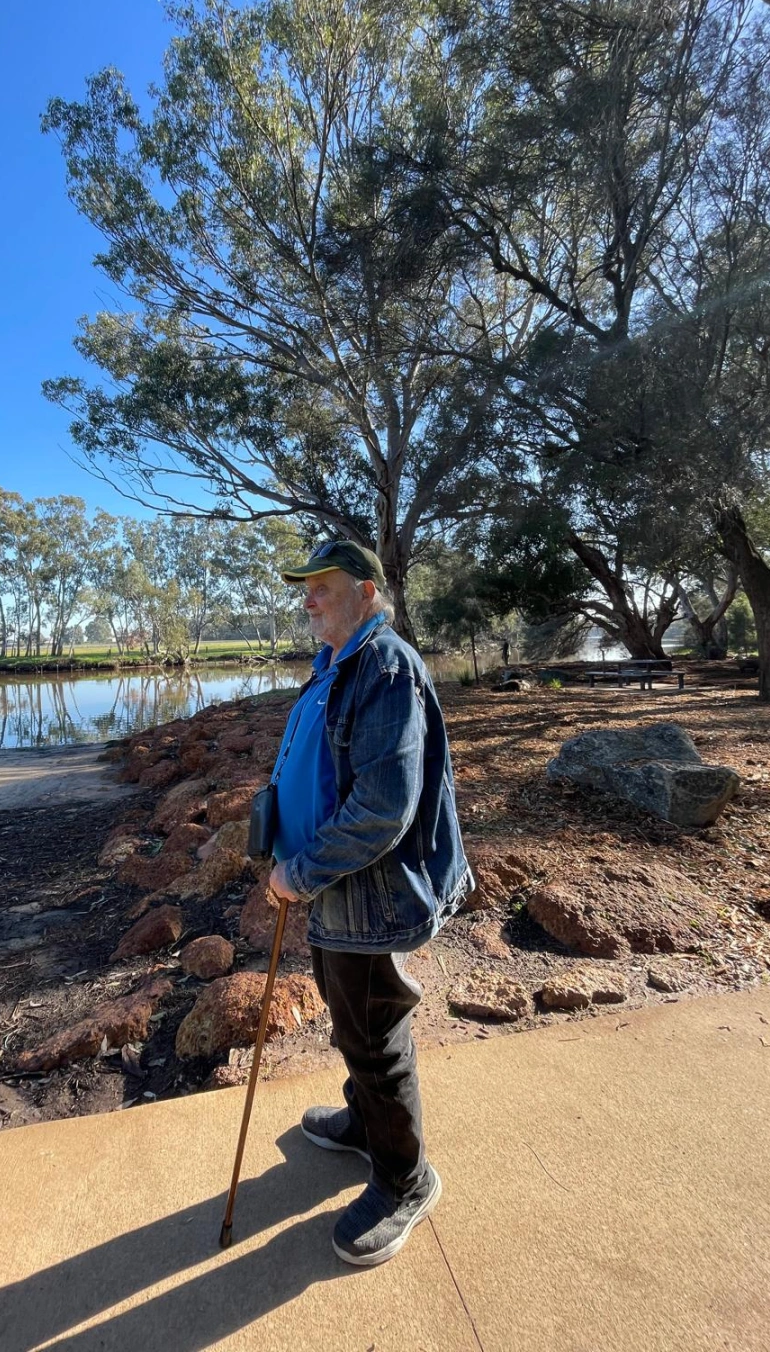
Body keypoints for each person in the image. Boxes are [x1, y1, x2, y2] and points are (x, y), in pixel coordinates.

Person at [268, 540, 472, 1267]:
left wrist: (303, 871)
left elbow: (385, 807)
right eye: (305, 589)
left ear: (366, 589)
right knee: (349, 1017)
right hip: (333, 888)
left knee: (373, 1034)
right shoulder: (340, 666)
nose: (307, 600)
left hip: (367, 892)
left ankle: (405, 1180)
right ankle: (365, 1123)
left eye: (320, 586)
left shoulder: (385, 665)